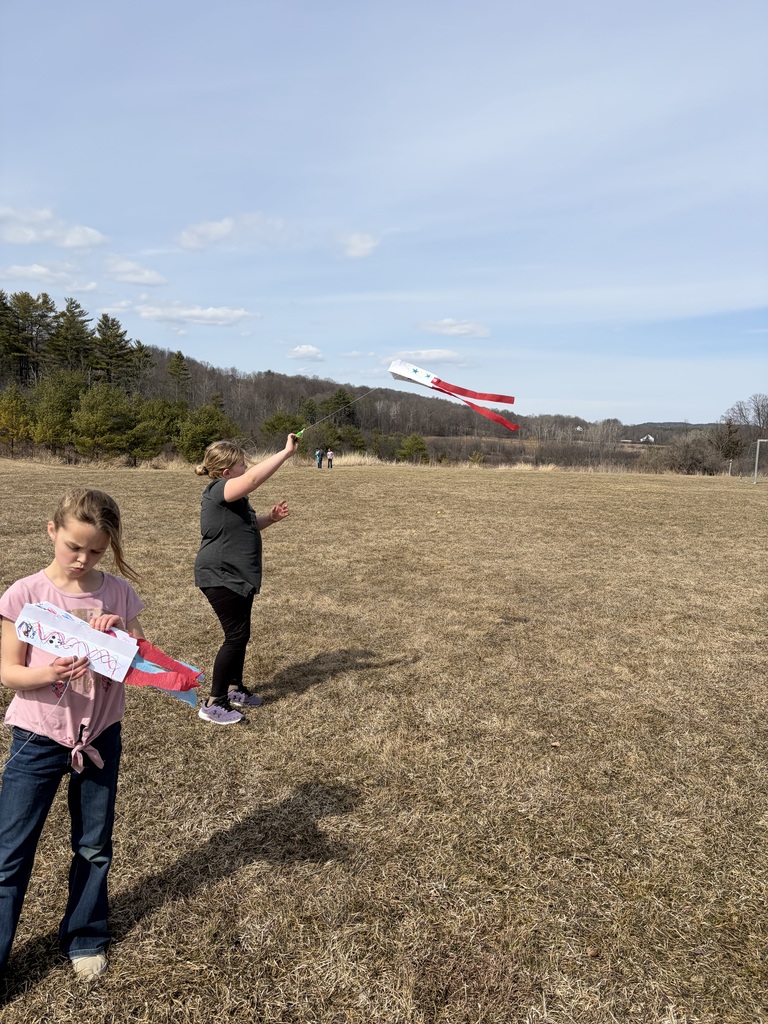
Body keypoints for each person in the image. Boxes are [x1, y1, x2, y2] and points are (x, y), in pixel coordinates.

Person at [0, 489, 145, 983]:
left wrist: (122, 634)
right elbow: (8, 673)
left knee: (93, 844)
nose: (83, 559)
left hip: (100, 736)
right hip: (36, 737)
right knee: (10, 853)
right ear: (52, 531)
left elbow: (139, 665)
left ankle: (85, 935)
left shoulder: (119, 594)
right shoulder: (25, 595)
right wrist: (49, 674)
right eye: (74, 547)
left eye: (96, 551)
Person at [193, 435, 298, 725]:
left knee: (241, 635)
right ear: (227, 473)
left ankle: (234, 687)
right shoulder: (218, 489)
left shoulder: (235, 501)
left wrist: (271, 518)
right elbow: (252, 479)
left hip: (238, 575)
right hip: (220, 574)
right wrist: (285, 452)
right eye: (242, 464)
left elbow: (248, 527)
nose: (247, 467)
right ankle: (214, 702)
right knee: (235, 636)